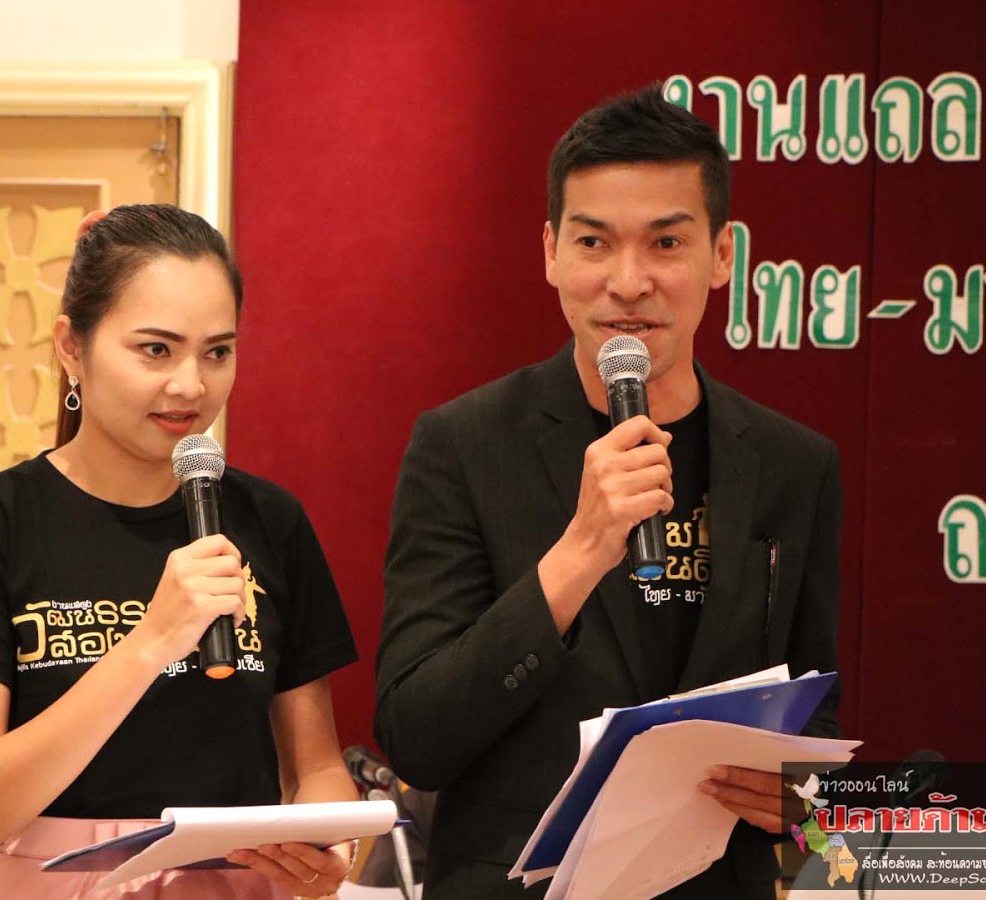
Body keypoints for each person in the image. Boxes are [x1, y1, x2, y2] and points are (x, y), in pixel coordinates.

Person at [373, 84, 844, 898]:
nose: (628, 282)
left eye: (666, 243)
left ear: (722, 254)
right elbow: (415, 736)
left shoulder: (793, 463)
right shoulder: (463, 445)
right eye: (594, 242)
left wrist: (800, 797)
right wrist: (584, 549)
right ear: (551, 252)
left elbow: (814, 714)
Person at [0, 204, 361, 899]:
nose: (190, 385)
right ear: (71, 347)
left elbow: (316, 767)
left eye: (217, 352)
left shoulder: (270, 520)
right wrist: (154, 639)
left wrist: (331, 843)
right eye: (155, 350)